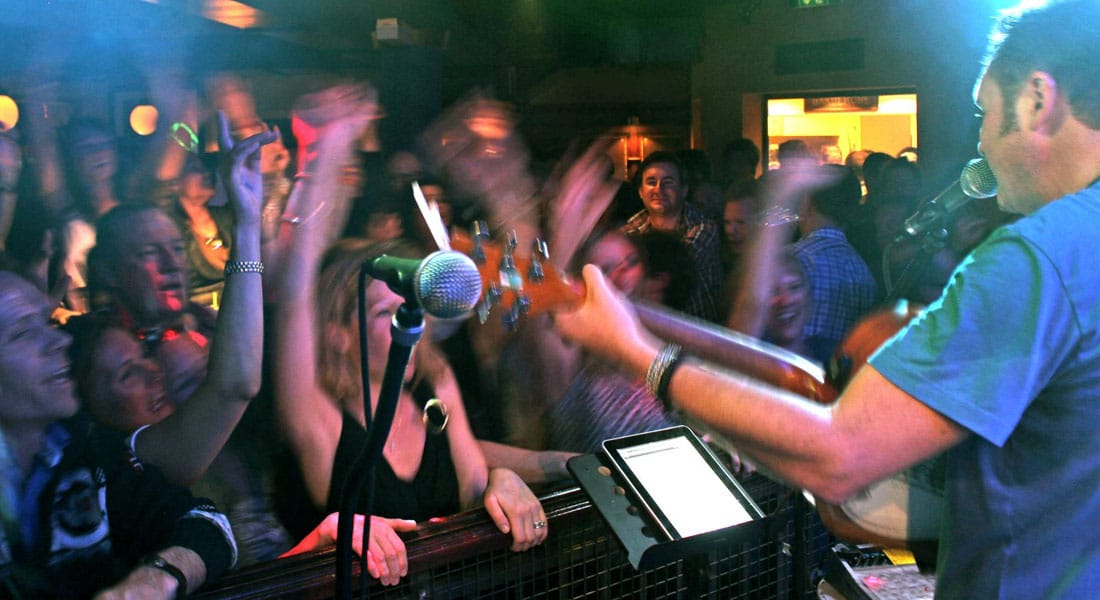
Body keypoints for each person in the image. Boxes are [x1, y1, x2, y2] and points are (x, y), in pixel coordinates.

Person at [552, 1, 1100, 596]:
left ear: (1038, 100)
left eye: (985, 112)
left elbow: (840, 454)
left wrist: (638, 354)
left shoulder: (1035, 259)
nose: (980, 141)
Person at [271, 84, 548, 586]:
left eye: (413, 309)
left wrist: (504, 480)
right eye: (386, 314)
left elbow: (476, 485)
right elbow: (295, 290)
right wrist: (329, 150)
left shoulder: (435, 387)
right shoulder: (322, 423)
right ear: (338, 336)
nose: (413, 325)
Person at [0, 271, 236, 598]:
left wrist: (153, 581)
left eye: (46, 324)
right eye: (24, 332)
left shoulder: (84, 454)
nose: (59, 341)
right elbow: (235, 386)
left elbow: (207, 525)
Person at [622, 151, 722, 322]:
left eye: (667, 182)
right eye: (651, 182)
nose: (658, 189)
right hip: (649, 331)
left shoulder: (704, 227)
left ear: (684, 190)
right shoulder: (630, 229)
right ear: (640, 191)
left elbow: (673, 269)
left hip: (698, 331)